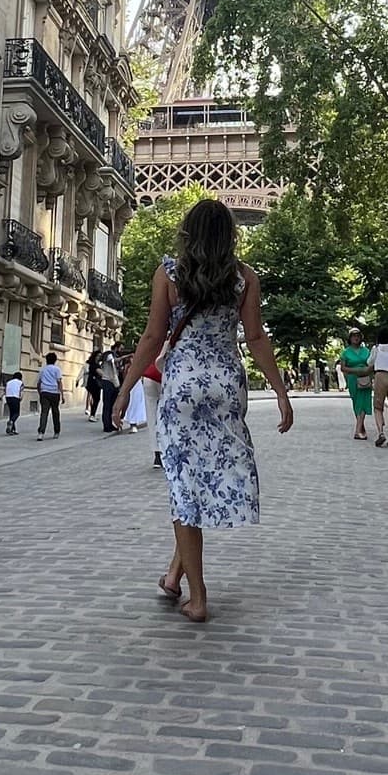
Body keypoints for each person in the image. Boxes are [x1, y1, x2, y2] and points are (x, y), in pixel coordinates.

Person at [110, 197, 293, 623]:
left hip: (183, 389)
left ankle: (199, 596)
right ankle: (175, 574)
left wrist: (125, 389)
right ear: (230, 235)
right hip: (226, 385)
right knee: (205, 481)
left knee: (184, 488)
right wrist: (280, 391)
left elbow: (152, 337)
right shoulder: (244, 278)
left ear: (188, 232)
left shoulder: (169, 273)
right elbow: (256, 338)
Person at [339, 325, 372, 440]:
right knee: (356, 403)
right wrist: (356, 370)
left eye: (358, 336)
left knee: (363, 402)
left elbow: (371, 364)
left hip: (365, 378)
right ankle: (361, 426)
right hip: (353, 379)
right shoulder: (345, 352)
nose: (356, 338)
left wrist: (366, 370)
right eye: (353, 336)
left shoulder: (366, 351)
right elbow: (343, 368)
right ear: (350, 338)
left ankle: (357, 431)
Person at [35, 350, 63, 440]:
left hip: (45, 392)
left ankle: (41, 433)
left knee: (44, 413)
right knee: (55, 412)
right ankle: (56, 432)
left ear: (46, 360)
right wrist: (62, 394)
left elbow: (38, 383)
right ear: (55, 360)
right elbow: (59, 382)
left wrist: (40, 392)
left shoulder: (42, 370)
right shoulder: (57, 369)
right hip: (54, 392)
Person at [142, 357, 164, 470]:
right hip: (164, 374)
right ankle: (165, 451)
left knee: (151, 415)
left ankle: (157, 454)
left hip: (149, 375)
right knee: (167, 416)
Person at [100, 343, 123, 433]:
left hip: (113, 382)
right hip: (107, 381)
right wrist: (126, 356)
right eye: (120, 348)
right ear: (116, 348)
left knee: (111, 405)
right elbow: (113, 360)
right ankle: (106, 425)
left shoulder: (114, 356)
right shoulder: (109, 354)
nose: (121, 351)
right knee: (107, 405)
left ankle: (110, 424)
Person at [79, 352, 100, 421]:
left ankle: (91, 413)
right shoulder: (92, 364)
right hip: (93, 382)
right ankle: (91, 414)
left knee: (94, 398)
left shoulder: (97, 364)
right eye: (98, 356)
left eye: (100, 356)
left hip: (92, 382)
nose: (99, 357)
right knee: (95, 398)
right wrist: (78, 379)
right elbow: (82, 372)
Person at [3, 370, 23, 435]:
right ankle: (11, 422)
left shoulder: (8, 382)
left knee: (11, 413)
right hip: (15, 397)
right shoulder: (20, 382)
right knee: (17, 413)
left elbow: (5, 390)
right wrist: (21, 398)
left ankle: (12, 429)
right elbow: (21, 391)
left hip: (8, 397)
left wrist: (1, 396)